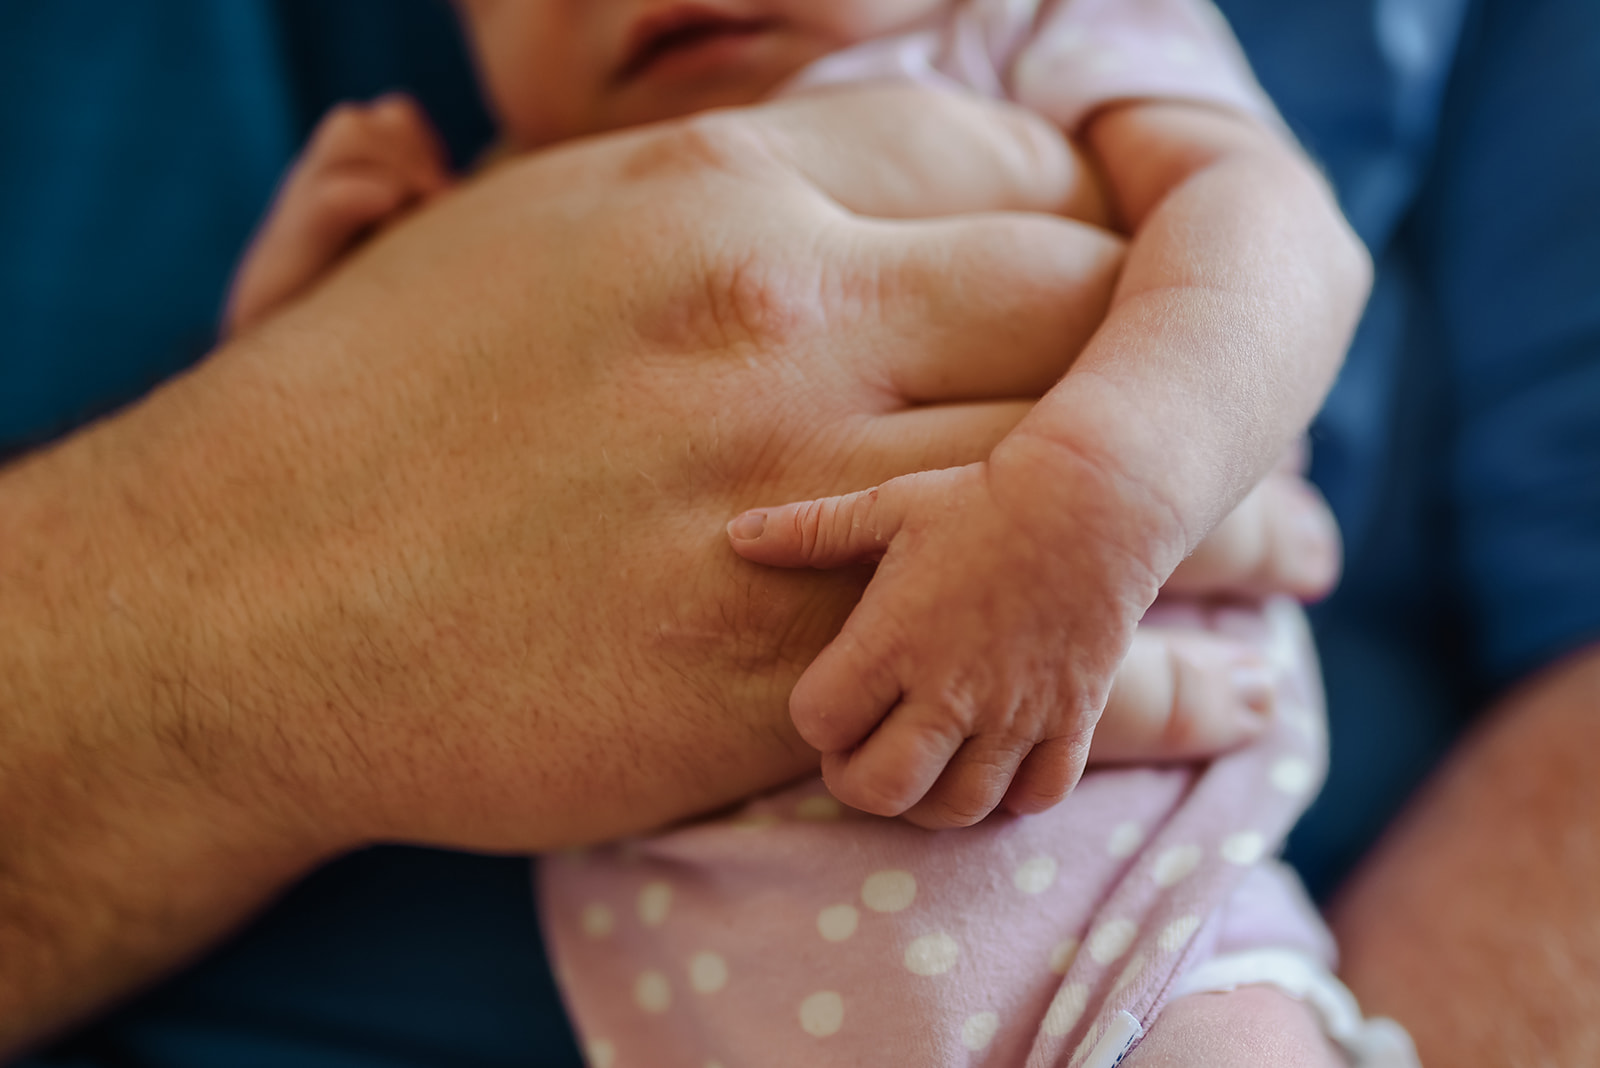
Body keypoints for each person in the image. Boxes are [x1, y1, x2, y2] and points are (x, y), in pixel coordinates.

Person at [3, 0, 1598, 1064]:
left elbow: (1281, 241)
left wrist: (1103, 487)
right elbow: (326, 475)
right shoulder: (522, 182)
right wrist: (304, 307)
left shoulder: (1025, 32)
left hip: (1135, 965)